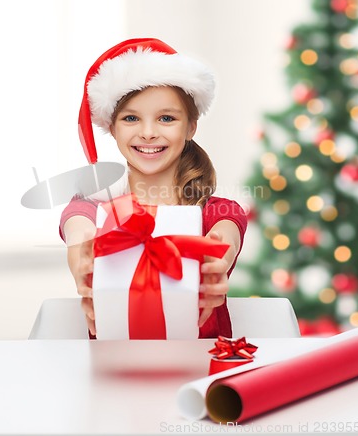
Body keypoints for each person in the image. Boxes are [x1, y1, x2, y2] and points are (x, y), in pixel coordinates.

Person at [59, 38, 247, 338]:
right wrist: (82, 253)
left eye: (166, 118)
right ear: (112, 127)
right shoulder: (94, 206)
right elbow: (79, 228)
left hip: (202, 373)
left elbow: (226, 235)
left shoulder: (216, 211)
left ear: (190, 127)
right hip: (111, 374)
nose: (148, 133)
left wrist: (217, 258)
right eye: (131, 118)